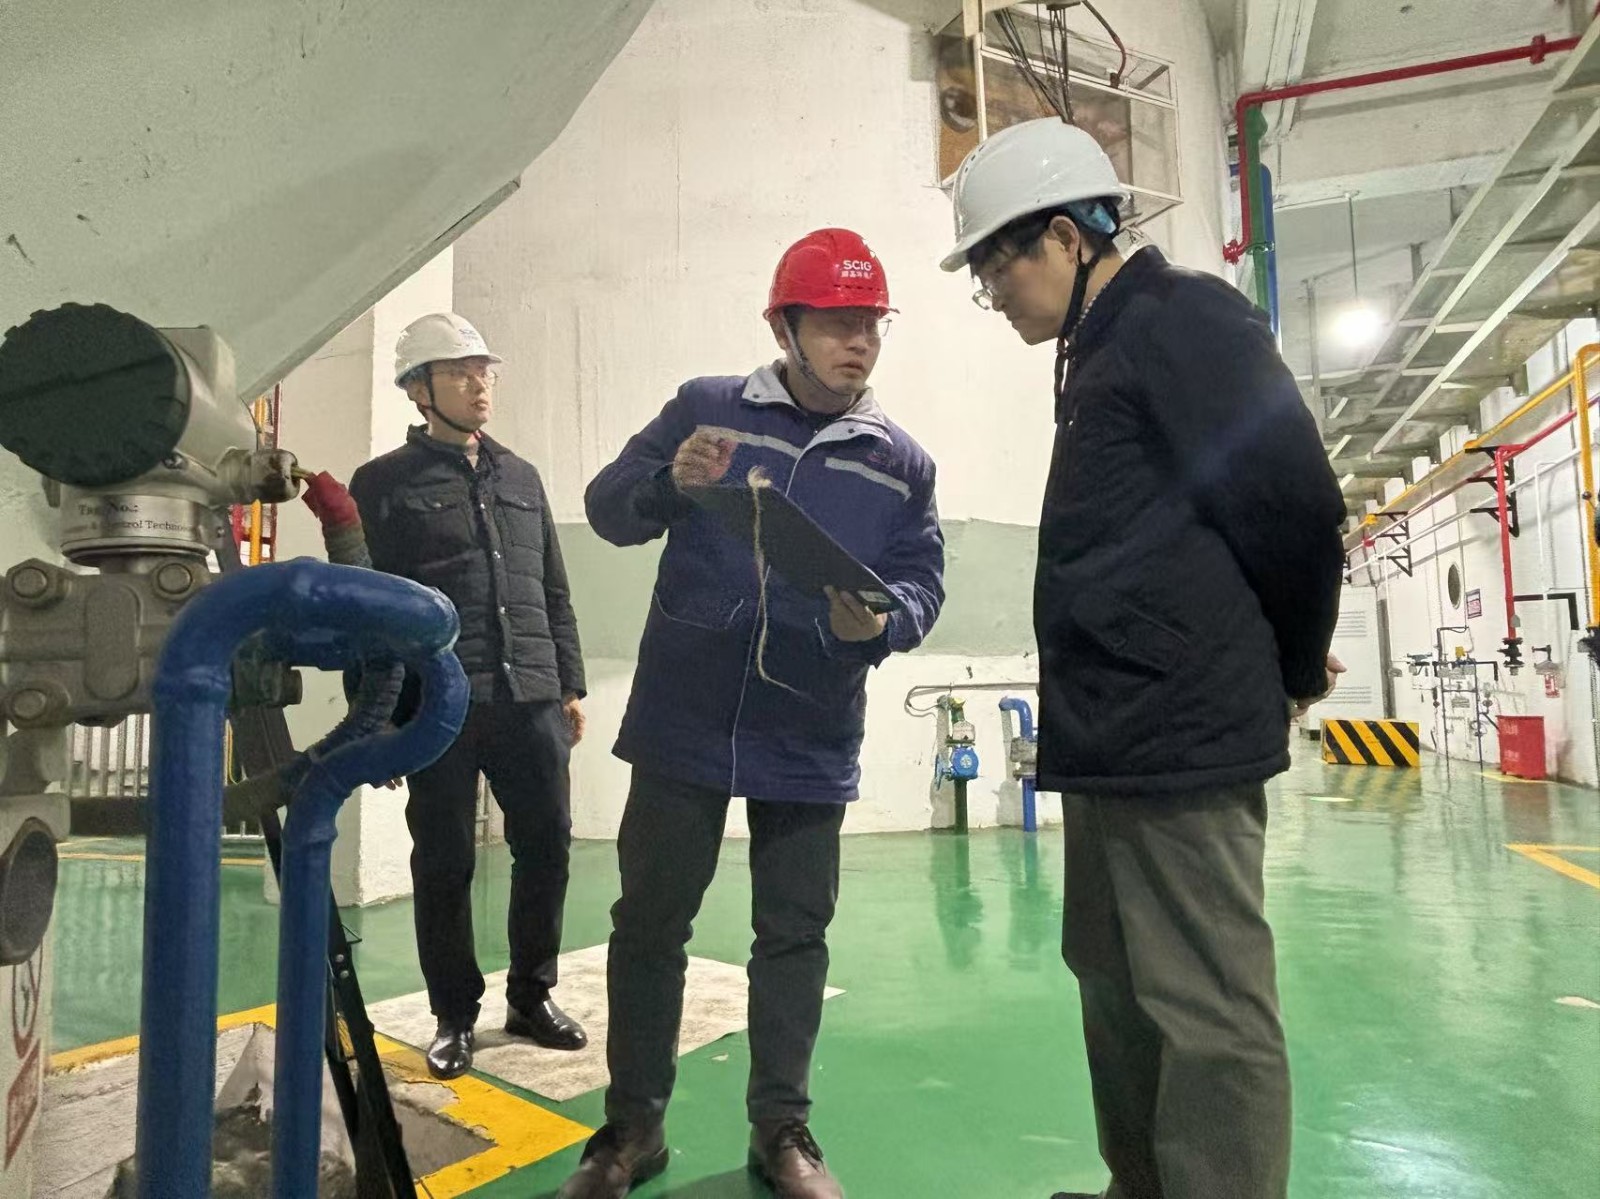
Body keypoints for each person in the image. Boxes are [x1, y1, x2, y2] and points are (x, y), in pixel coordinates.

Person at [940, 118, 1347, 1199]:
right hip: (1113, 731)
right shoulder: (1101, 347)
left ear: (1066, 237)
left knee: (1207, 1007)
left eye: (996, 266)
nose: (994, 293)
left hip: (1182, 731)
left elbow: (1296, 508)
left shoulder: (1183, 320)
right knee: (1114, 981)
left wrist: (1295, 666)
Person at [558, 230, 945, 1199]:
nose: (859, 342)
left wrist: (885, 619)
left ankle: (782, 1131)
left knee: (794, 936)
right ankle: (633, 1128)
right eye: (838, 323)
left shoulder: (899, 462)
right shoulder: (707, 409)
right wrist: (670, 483)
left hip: (810, 725)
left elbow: (922, 581)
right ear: (785, 327)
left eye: (871, 324)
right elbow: (607, 508)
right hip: (684, 715)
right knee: (649, 926)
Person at [346, 313, 588, 1080]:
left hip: (529, 693)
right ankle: (454, 1014)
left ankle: (532, 995)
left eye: (484, 370)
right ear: (419, 389)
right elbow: (367, 610)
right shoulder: (381, 484)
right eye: (460, 372)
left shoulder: (521, 477)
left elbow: (552, 586)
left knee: (546, 844)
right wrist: (379, 719)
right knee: (444, 860)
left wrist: (568, 682)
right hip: (441, 703)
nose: (480, 384)